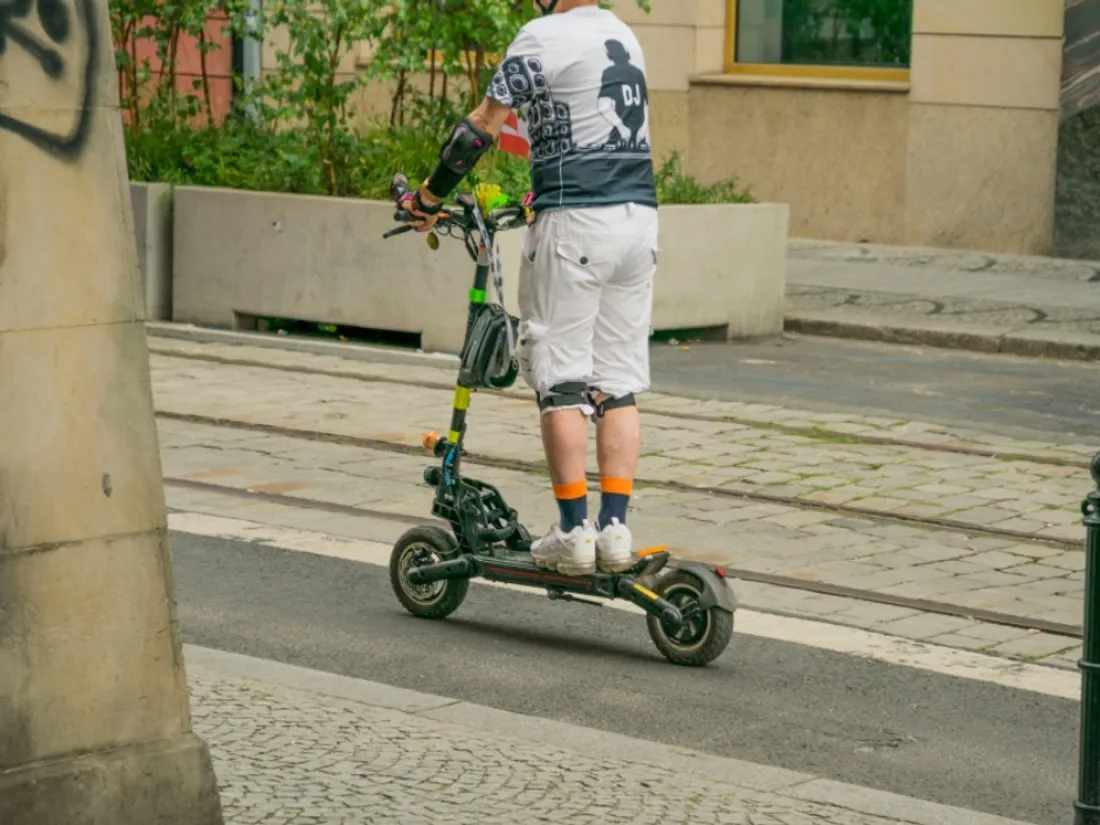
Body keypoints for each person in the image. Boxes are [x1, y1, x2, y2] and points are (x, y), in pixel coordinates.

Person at [402, 0, 658, 577]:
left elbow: (479, 130)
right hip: (638, 221)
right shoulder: (623, 36)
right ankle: (614, 530)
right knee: (616, 382)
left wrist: (428, 199)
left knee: (560, 376)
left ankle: (572, 533)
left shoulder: (543, 36)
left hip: (577, 224)